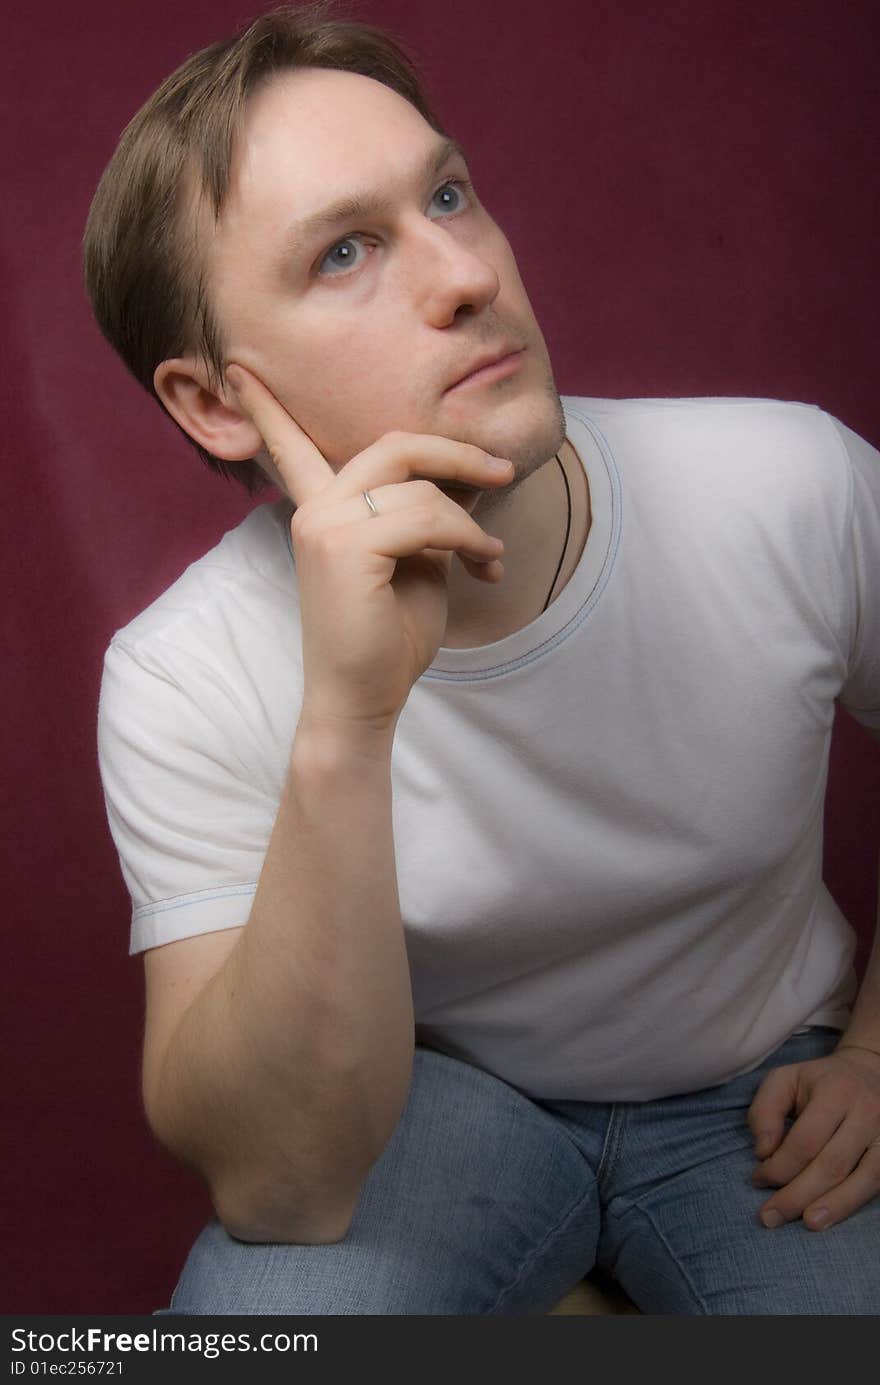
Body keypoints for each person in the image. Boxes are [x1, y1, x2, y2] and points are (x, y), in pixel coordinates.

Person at [84, 2, 880, 1315]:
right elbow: (282, 1184)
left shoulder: (787, 482)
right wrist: (347, 717)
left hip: (768, 1089)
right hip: (438, 1108)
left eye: (447, 193)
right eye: (346, 251)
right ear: (219, 402)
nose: (464, 271)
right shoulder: (182, 669)